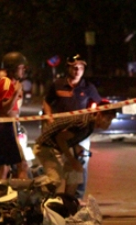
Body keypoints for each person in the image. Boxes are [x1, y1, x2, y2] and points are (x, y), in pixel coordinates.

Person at [43, 54, 102, 200]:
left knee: (81, 162)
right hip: (60, 131)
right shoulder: (58, 84)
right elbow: (47, 102)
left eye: (81, 67)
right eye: (74, 67)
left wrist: (94, 116)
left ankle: (76, 197)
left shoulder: (88, 87)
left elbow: (99, 105)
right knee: (57, 164)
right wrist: (49, 118)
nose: (77, 70)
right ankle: (49, 195)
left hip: (79, 132)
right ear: (68, 68)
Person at [33, 104, 116, 197]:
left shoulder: (90, 124)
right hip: (45, 147)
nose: (109, 123)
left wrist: (77, 147)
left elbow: (69, 138)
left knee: (75, 173)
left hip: (56, 147)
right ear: (99, 114)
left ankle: (68, 201)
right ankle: (33, 185)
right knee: (55, 180)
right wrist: (72, 160)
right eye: (108, 118)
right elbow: (60, 138)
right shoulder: (83, 123)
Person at [0, 52, 28, 180]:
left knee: (4, 166)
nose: (23, 70)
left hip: (3, 126)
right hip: (8, 126)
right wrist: (16, 93)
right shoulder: (7, 83)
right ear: (13, 68)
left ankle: (0, 189)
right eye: (21, 67)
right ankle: (22, 191)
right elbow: (6, 109)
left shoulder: (8, 82)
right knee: (22, 164)